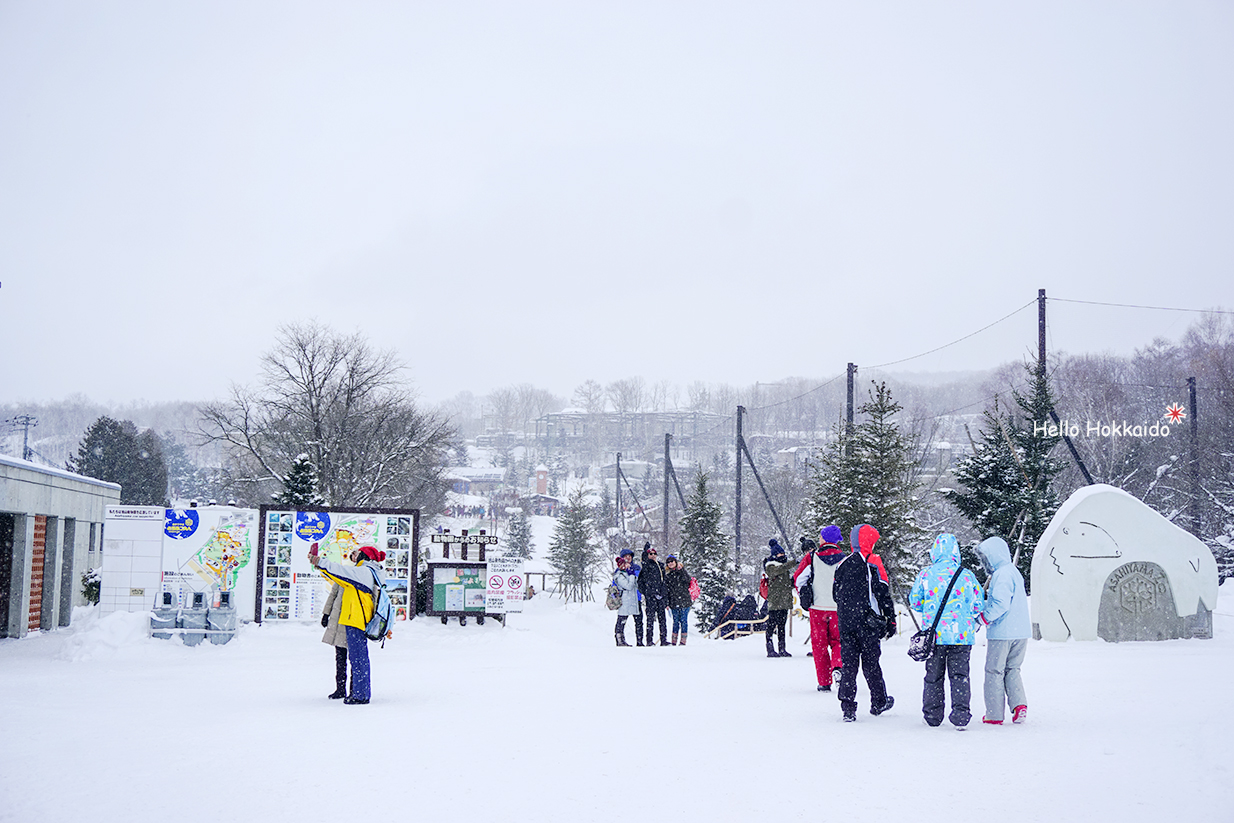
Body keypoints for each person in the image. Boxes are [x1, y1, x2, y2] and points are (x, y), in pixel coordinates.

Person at [909, 533, 985, 730]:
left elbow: (915, 602)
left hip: (934, 637)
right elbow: (978, 604)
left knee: (933, 675)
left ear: (935, 551)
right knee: (960, 675)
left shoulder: (926, 574)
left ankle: (932, 715)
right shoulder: (966, 575)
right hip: (961, 636)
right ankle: (961, 714)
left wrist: (930, 606)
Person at [832, 524, 896, 722]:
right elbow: (883, 592)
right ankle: (879, 701)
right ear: (869, 541)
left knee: (849, 665)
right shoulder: (874, 561)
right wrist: (890, 619)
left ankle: (848, 707)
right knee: (871, 663)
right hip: (868, 622)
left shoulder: (842, 564)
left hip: (846, 621)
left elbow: (835, 594)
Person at [309, 542, 386, 704]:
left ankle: (360, 695)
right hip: (353, 619)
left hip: (356, 620)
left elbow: (340, 570)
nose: (355, 556)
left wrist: (320, 561)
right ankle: (359, 692)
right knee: (357, 658)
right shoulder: (365, 571)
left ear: (365, 556)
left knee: (358, 658)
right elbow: (337, 576)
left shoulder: (364, 571)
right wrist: (318, 564)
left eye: (359, 554)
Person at [976, 536, 1030, 725]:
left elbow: (1000, 603)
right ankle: (1019, 706)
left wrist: (983, 617)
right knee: (1013, 669)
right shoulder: (1014, 571)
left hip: (1002, 632)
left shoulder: (1001, 574)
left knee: (994, 671)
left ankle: (994, 714)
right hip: (1020, 631)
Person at [794, 526, 846, 690]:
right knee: (839, 641)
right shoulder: (844, 559)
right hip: (838, 608)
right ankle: (838, 667)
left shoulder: (812, 557)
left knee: (819, 645)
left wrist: (804, 594)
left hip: (817, 608)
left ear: (824, 539)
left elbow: (798, 579)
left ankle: (824, 682)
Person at [762, 539, 795, 657]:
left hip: (784, 601)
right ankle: (770, 648)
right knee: (771, 625)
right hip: (775, 601)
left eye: (783, 554)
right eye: (779, 554)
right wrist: (793, 563)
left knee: (782, 626)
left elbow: (786, 584)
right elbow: (778, 571)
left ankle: (782, 648)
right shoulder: (770, 566)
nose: (782, 556)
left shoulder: (784, 568)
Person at [320, 581, 349, 699]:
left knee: (354, 659)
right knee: (340, 657)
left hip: (353, 622)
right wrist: (326, 613)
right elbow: (333, 594)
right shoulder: (342, 573)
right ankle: (340, 688)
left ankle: (354, 689)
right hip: (339, 620)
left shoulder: (362, 572)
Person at [638, 542, 670, 646]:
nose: (652, 555)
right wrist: (648, 593)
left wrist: (663, 594)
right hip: (651, 597)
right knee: (650, 619)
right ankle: (649, 640)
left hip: (660, 596)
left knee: (662, 619)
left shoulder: (660, 566)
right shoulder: (646, 566)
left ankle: (663, 639)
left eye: (654, 554)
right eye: (650, 554)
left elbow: (664, 581)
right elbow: (641, 582)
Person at [613, 549, 643, 647]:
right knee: (622, 620)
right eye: (625, 556)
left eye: (629, 556)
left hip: (636, 598)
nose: (628, 558)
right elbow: (618, 585)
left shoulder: (637, 568)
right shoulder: (619, 572)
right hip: (625, 599)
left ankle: (639, 641)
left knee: (639, 621)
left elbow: (640, 581)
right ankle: (620, 640)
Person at [663, 554, 693, 645]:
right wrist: (667, 603)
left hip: (684, 600)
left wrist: (681, 570)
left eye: (672, 561)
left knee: (684, 621)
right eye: (668, 562)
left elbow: (688, 580)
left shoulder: (682, 572)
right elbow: (666, 590)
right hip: (674, 601)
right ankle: (674, 640)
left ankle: (683, 641)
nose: (670, 563)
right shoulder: (667, 575)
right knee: (675, 621)